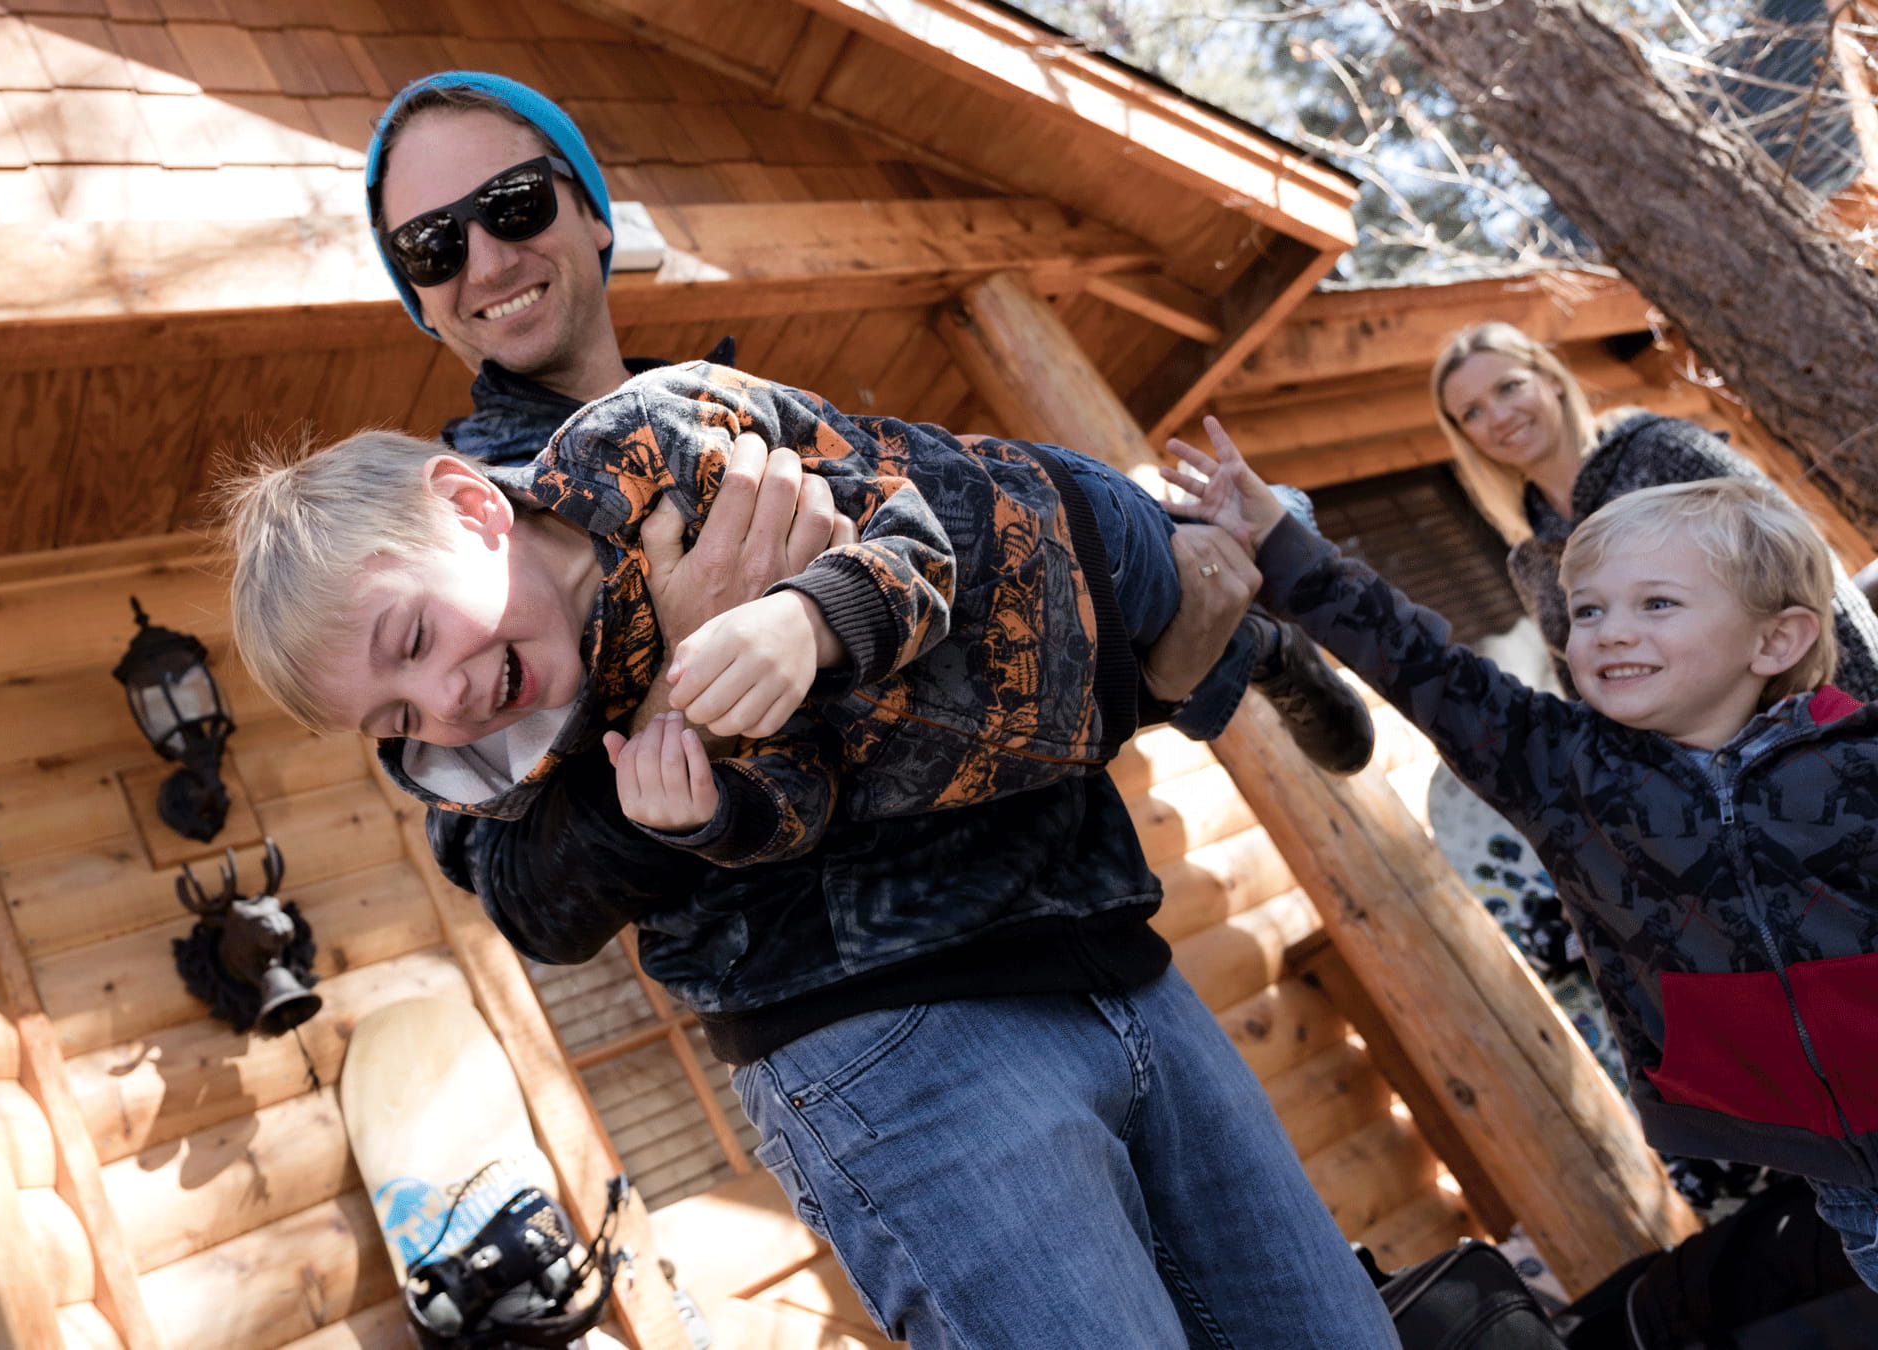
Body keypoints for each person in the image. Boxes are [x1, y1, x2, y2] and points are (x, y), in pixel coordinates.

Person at [336, 70, 1402, 1347]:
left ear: (594, 212)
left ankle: (1253, 643)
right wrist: (682, 691)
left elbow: (983, 623)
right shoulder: (463, 564)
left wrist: (1164, 675)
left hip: (1117, 953)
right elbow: (528, 896)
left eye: (512, 204)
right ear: (417, 297)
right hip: (892, 1044)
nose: (484, 255)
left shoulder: (744, 417)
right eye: (433, 245)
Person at [1169, 425, 1878, 1294]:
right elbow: (1417, 658)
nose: (1611, 632)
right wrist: (1279, 539)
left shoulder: (1853, 761)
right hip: (1838, 1181)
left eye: (1657, 604)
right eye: (1588, 610)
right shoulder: (1562, 767)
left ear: (1775, 642)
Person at [231, 360, 1296, 867]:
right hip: (1061, 728)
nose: (447, 702)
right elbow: (810, 788)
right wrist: (712, 818)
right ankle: (1257, 658)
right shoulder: (585, 738)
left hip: (1070, 551)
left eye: (412, 642)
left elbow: (911, 534)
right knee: (1189, 680)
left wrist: (805, 622)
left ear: (472, 508)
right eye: (400, 721)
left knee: (1205, 589)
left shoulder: (645, 444)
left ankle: (1286, 634)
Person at [1431, 320, 1878, 700]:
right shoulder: (1529, 562)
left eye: (1509, 387)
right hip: (1730, 774)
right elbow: (1586, 692)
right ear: (1465, 436)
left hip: (1825, 697)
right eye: (1472, 412)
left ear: (1549, 380)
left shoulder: (1661, 450)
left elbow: (1802, 563)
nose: (1499, 416)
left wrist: (1863, 690)